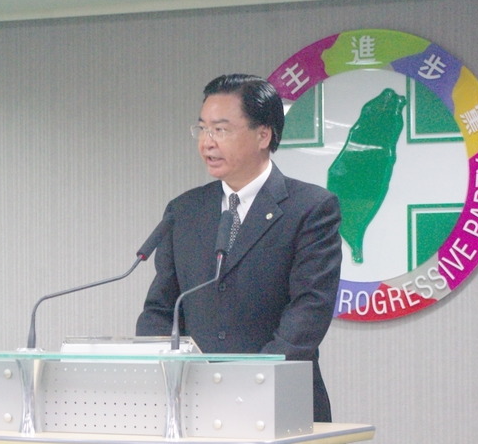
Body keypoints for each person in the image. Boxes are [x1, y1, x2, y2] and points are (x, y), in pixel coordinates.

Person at [136, 73, 342, 422]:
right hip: (193, 406)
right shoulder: (184, 210)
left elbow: (309, 310)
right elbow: (160, 308)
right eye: (202, 129)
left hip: (280, 402)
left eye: (221, 130)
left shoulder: (310, 208)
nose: (207, 143)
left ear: (263, 135)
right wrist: (159, 369)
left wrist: (251, 380)